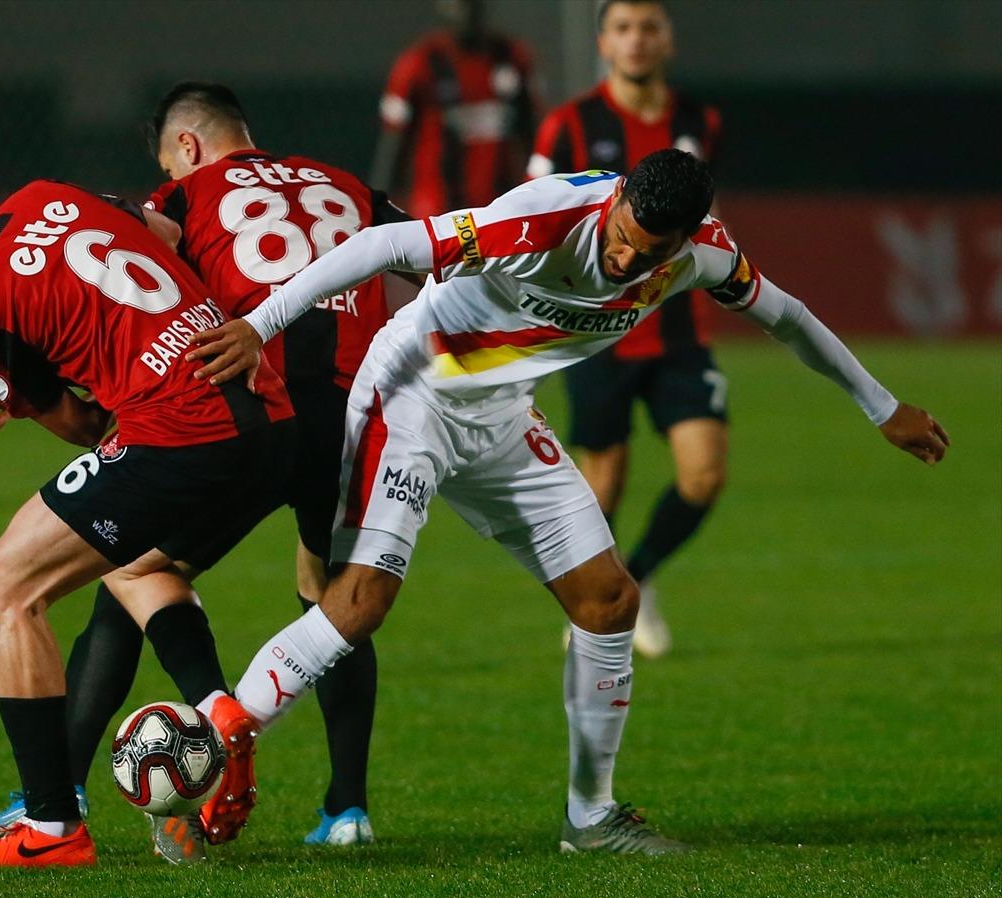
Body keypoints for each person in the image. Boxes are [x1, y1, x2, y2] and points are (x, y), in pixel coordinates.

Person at [186, 149, 949, 854]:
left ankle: (591, 816)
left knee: (610, 599)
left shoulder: (703, 255)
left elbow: (786, 316)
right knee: (358, 605)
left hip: (503, 416)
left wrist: (881, 407)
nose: (625, 260)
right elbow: (383, 248)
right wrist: (259, 323)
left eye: (651, 255)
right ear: (616, 200)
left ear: (682, 244)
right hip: (414, 395)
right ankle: (217, 748)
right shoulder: (543, 217)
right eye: (622, 238)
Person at [0, 82, 417, 860]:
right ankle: (348, 808)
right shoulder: (343, 183)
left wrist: (23, 369)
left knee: (127, 574)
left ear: (188, 147)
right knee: (332, 603)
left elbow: (134, 244)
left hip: (249, 410)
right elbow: (426, 253)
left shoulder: (187, 190)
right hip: (351, 416)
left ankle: (56, 794)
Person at [0, 182, 295, 867]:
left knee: (3, 589)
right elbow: (163, 233)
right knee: (137, 566)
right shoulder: (44, 194)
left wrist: (17, 387)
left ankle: (51, 826)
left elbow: (81, 425)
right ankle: (219, 709)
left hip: (181, 431)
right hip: (263, 412)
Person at [528, 0, 723, 658]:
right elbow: (539, 215)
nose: (636, 40)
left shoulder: (701, 120)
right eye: (623, 28)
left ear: (667, 39)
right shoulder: (571, 123)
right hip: (596, 330)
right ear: (604, 43)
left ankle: (636, 579)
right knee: (604, 477)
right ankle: (599, 602)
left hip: (677, 330)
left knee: (703, 476)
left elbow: (707, 218)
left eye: (648, 27)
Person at [371, 0, 539, 217]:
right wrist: (379, 207)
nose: (465, 13)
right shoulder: (419, 63)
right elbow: (394, 142)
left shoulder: (511, 56)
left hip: (501, 203)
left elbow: (530, 131)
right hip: (438, 207)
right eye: (458, 5)